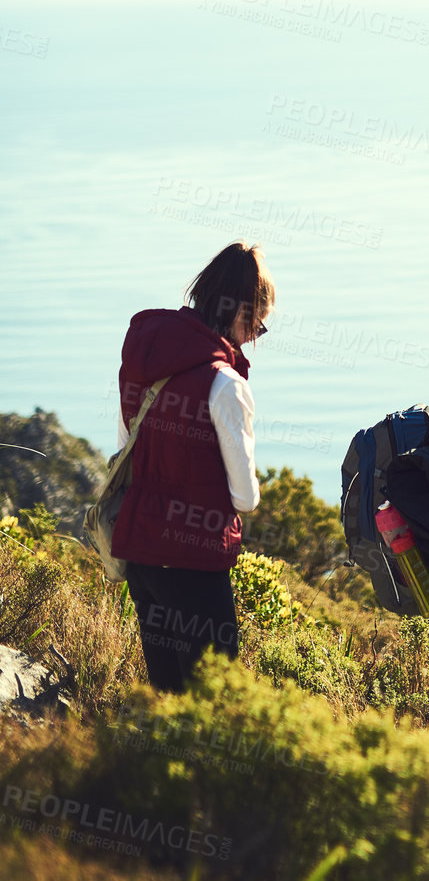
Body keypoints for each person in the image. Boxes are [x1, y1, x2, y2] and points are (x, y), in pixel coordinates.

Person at [112, 242, 273, 691]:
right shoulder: (225, 384)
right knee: (215, 708)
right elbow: (244, 496)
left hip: (142, 555)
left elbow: (125, 447)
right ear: (240, 312)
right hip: (195, 565)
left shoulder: (143, 359)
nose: (255, 335)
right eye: (258, 322)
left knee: (167, 699)